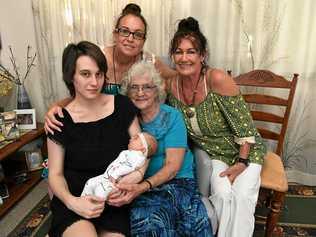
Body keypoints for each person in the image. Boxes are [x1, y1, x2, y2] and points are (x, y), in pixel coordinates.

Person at [166, 17, 267, 237]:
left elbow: (246, 129)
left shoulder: (217, 79)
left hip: (246, 151)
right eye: (178, 52)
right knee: (221, 195)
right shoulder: (171, 85)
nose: (184, 58)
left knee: (241, 197)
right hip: (214, 154)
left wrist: (241, 162)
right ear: (173, 56)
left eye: (191, 52)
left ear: (202, 56)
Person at [47, 41, 145, 237]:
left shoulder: (122, 105)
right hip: (75, 198)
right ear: (71, 76)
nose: (94, 82)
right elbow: (55, 174)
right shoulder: (59, 119)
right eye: (85, 74)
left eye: (99, 74)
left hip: (113, 198)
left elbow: (141, 151)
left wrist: (135, 178)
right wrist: (72, 202)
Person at [109, 61, 213, 236]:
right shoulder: (127, 120)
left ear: (157, 89)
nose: (140, 93)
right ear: (128, 91)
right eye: (134, 87)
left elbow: (173, 167)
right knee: (146, 221)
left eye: (147, 87)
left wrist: (143, 186)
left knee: (182, 221)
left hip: (178, 183)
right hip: (140, 187)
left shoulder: (172, 117)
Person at [44, 3, 175, 134]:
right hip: (103, 127)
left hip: (137, 126)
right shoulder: (98, 59)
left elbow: (176, 78)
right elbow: (80, 95)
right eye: (125, 31)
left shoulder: (149, 61)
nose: (130, 38)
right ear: (115, 34)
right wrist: (56, 107)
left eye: (138, 34)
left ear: (143, 41)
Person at [81, 132, 157, 199]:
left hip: (114, 182)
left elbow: (128, 167)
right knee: (90, 182)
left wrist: (115, 175)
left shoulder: (138, 157)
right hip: (106, 176)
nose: (132, 138)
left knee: (100, 191)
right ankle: (83, 201)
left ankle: (93, 208)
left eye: (136, 138)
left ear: (143, 149)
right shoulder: (130, 153)